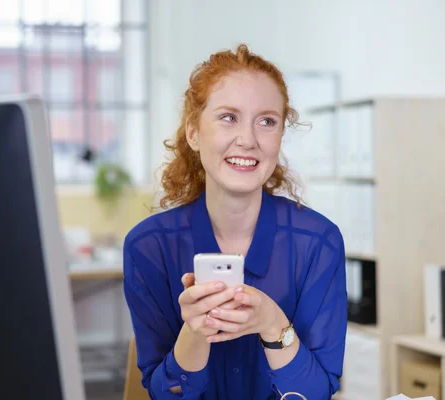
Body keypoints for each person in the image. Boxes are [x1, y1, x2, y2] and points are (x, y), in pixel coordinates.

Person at [123, 44, 347, 400]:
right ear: (194, 133)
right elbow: (165, 394)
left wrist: (273, 323)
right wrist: (196, 332)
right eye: (229, 117)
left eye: (267, 121)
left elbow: (317, 392)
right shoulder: (149, 246)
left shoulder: (319, 242)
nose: (248, 140)